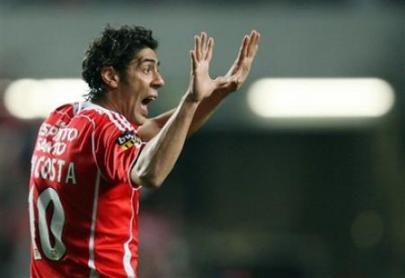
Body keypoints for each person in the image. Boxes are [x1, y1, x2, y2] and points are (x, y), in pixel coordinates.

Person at [28, 25, 260, 277]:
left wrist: (217, 95)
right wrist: (191, 100)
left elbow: (157, 131)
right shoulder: (107, 129)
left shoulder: (59, 118)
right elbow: (149, 173)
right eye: (147, 69)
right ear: (111, 76)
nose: (158, 80)